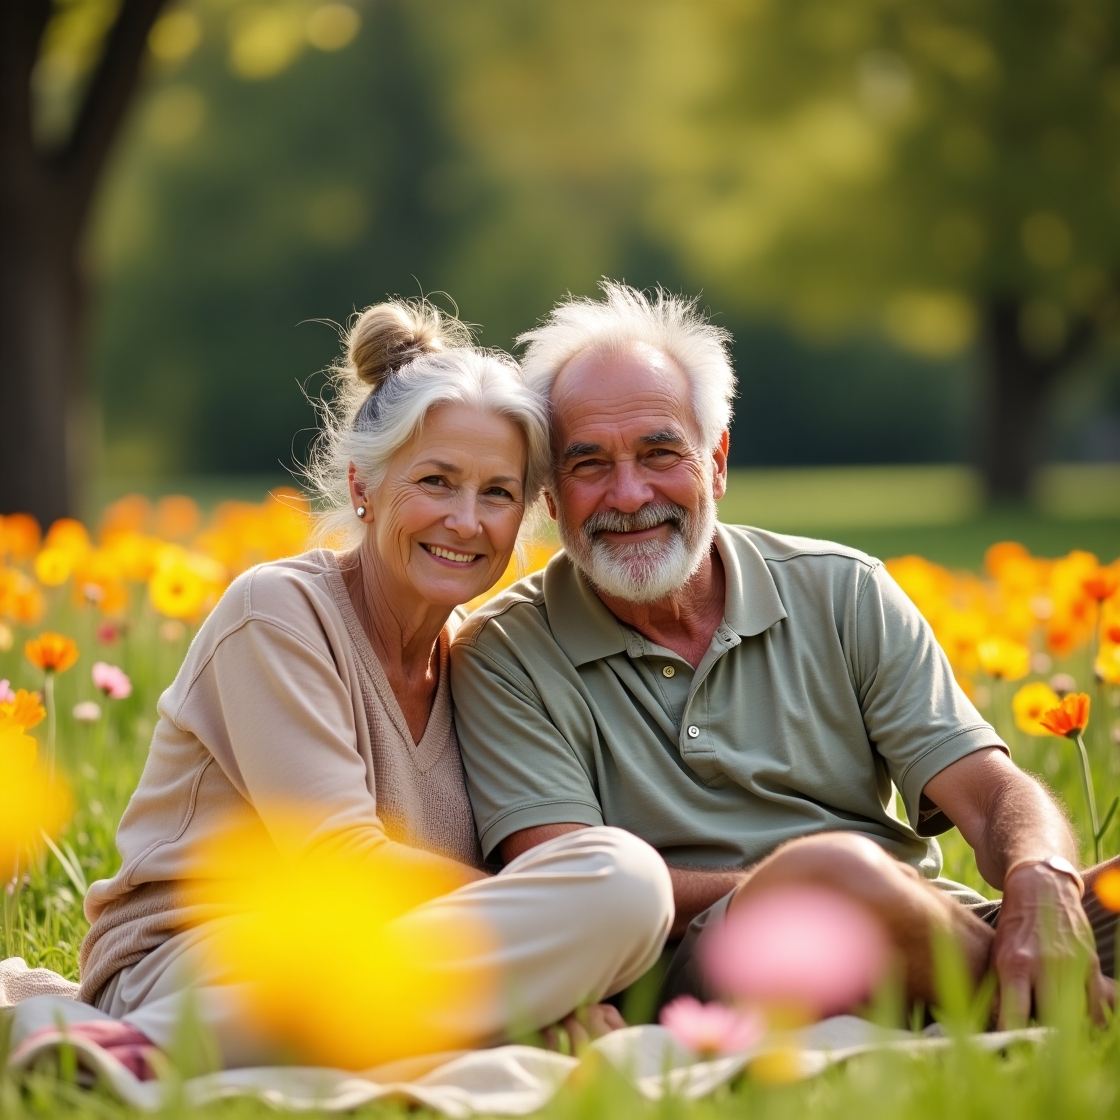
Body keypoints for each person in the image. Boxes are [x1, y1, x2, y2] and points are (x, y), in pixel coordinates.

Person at [450, 282, 1119, 1028]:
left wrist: (1045, 879)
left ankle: (1005, 967)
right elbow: (575, 892)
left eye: (660, 451)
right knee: (829, 873)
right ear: (551, 494)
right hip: (703, 967)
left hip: (928, 921)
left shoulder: (842, 591)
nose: (630, 493)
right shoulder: (503, 652)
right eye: (589, 465)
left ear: (718, 461)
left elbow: (995, 795)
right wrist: (816, 887)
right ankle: (1048, 1005)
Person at [75, 300, 673, 1071]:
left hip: (385, 963)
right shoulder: (277, 613)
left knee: (620, 883)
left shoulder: (488, 663)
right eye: (436, 481)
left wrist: (539, 963)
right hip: (195, 965)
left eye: (497, 493)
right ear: (364, 485)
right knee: (620, 886)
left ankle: (445, 1026)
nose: (465, 520)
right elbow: (344, 863)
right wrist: (542, 965)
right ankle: (137, 1049)